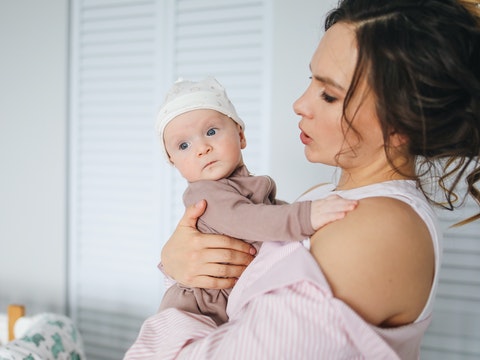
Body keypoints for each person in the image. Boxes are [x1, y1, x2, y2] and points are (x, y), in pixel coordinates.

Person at [125, 0, 480, 358]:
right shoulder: (325, 194)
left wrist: (168, 311)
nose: (299, 103)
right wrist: (176, 262)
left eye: (328, 94)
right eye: (311, 80)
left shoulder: (379, 230)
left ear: (404, 121)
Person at [155, 77, 357, 326]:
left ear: (241, 136)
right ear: (173, 162)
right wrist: (306, 216)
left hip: (228, 307)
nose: (202, 148)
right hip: (195, 313)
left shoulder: (243, 185)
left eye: (211, 131)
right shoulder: (204, 194)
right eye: (184, 145)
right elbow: (247, 219)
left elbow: (266, 216)